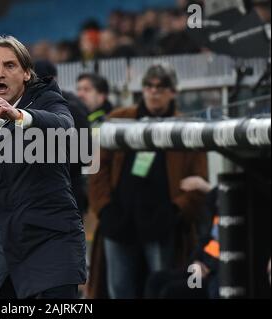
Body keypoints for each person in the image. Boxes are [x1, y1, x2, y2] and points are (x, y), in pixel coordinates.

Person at [0, 35, 87, 299]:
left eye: (10, 65)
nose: (0, 73)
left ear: (27, 73)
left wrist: (19, 116)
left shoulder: (47, 98)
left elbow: (64, 125)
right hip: (3, 242)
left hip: (51, 236)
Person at [88, 64, 208, 299]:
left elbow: (199, 181)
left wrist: (175, 212)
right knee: (119, 291)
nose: (154, 92)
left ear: (173, 92)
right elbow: (98, 170)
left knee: (161, 289)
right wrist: (105, 209)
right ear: (142, 89)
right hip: (119, 222)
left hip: (161, 224)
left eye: (161, 87)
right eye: (149, 86)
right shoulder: (118, 120)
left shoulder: (187, 128)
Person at [145, 176, 219, 299]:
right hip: (200, 267)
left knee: (171, 291)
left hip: (214, 275)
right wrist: (196, 262)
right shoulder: (216, 211)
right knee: (155, 280)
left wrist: (209, 270)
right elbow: (205, 241)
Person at [34, 59, 90, 216]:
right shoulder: (72, 105)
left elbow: (84, 154)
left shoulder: (70, 107)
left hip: (66, 190)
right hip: (49, 192)